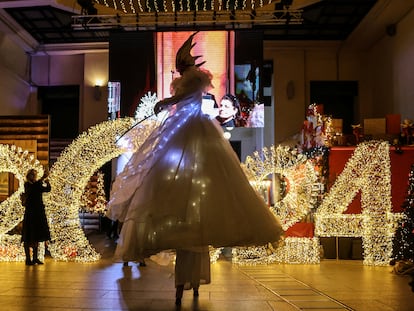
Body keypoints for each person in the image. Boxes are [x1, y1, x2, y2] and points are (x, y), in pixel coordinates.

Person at [106, 32, 283, 304]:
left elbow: (185, 97)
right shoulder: (190, 82)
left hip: (190, 130)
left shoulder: (193, 81)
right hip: (186, 131)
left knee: (179, 174)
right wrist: (167, 103)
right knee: (172, 175)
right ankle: (191, 282)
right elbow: (184, 98)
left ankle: (189, 282)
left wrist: (166, 102)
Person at [21, 168, 51, 265]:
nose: (34, 176)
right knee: (29, 235)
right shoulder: (28, 185)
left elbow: (47, 189)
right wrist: (42, 178)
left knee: (37, 235)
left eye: (35, 175)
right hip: (31, 214)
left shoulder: (36, 184)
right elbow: (33, 188)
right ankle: (28, 259)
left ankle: (35, 258)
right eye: (32, 175)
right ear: (29, 175)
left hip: (38, 213)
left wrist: (47, 181)